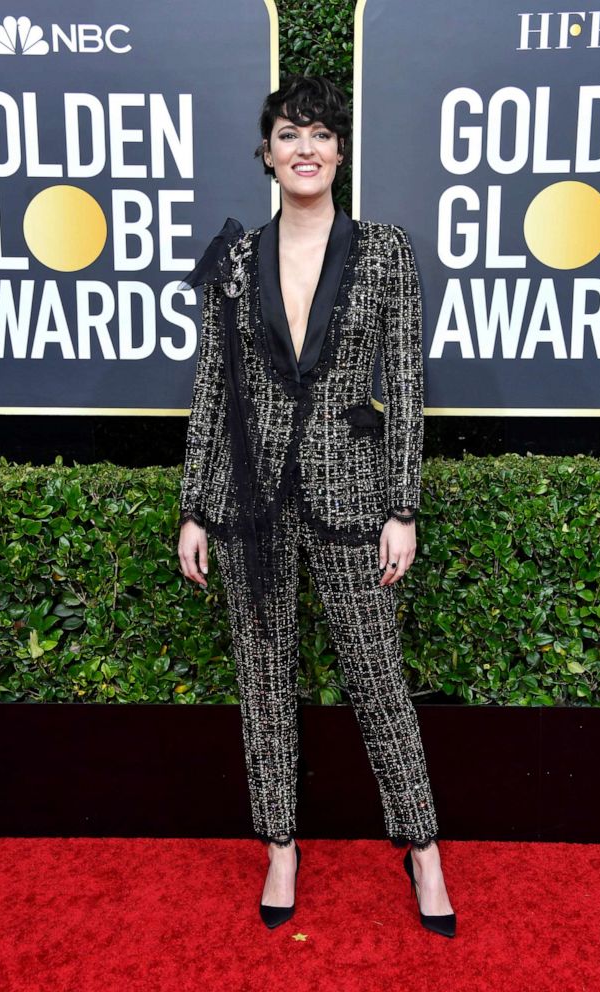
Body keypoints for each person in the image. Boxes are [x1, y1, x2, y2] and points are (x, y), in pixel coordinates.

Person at [177, 75, 456, 937]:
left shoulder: (384, 253)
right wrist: (195, 505)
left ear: (339, 152)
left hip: (351, 498)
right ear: (266, 153)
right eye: (289, 134)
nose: (305, 148)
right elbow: (213, 391)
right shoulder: (232, 257)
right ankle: (280, 847)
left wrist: (400, 508)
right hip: (250, 502)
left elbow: (405, 388)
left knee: (377, 682)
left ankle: (423, 848)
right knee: (263, 685)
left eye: (321, 134)